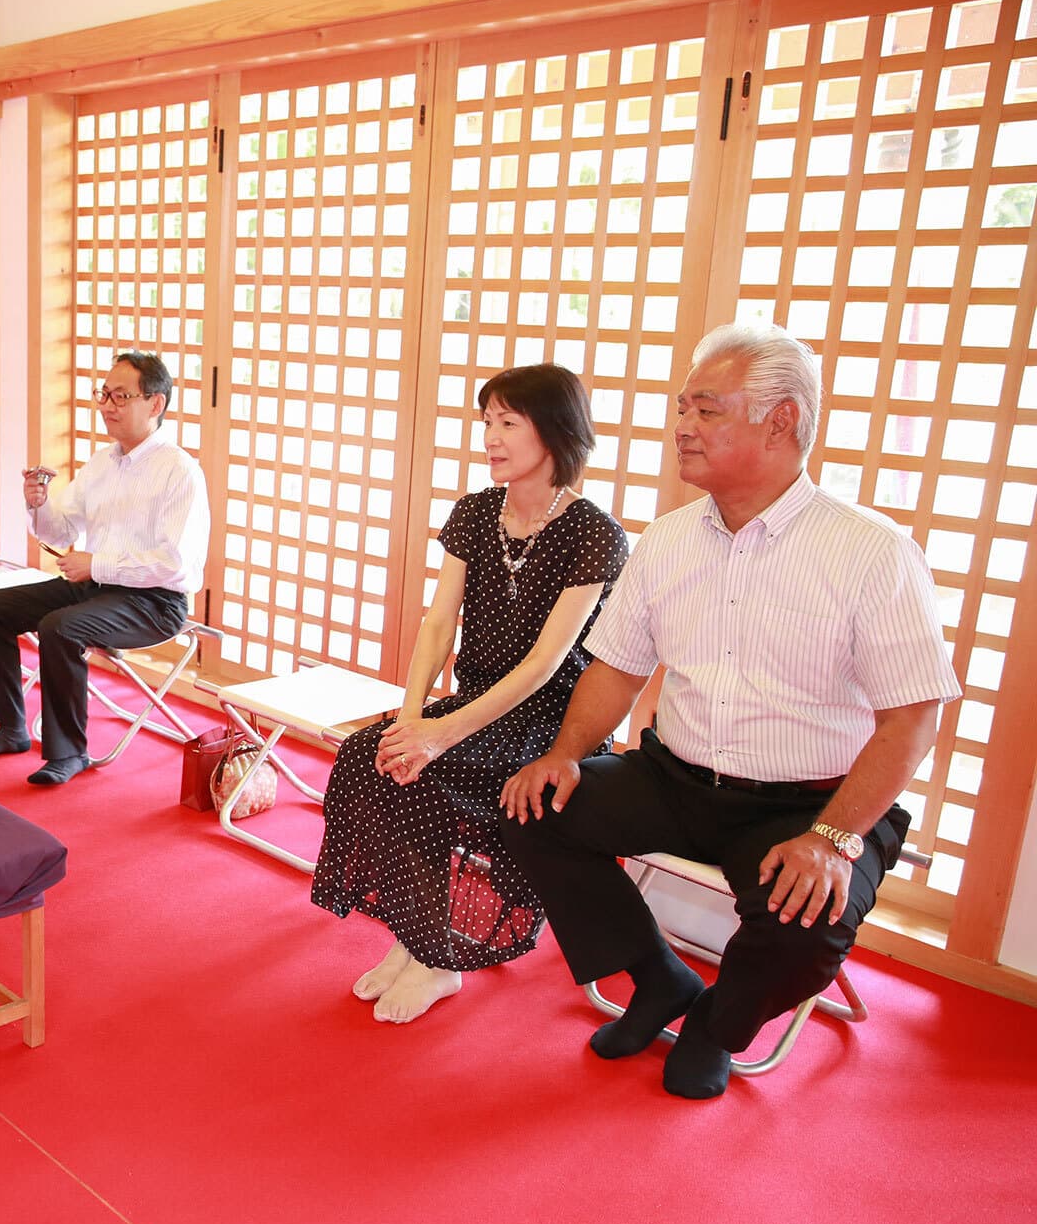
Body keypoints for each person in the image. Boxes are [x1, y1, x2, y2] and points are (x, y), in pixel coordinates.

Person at [500, 323, 960, 1100]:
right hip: (676, 775)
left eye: (706, 409)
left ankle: (716, 1022)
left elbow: (912, 717)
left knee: (807, 915)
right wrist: (567, 753)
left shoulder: (871, 552)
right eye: (683, 407)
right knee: (535, 808)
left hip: (811, 805)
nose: (682, 426)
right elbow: (615, 668)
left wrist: (834, 839)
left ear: (781, 421)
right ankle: (657, 980)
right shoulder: (669, 540)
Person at [311, 364, 629, 1023]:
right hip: (472, 705)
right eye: (487, 421)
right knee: (370, 756)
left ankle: (436, 960)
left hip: (547, 724)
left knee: (428, 775)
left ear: (556, 431)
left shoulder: (595, 532)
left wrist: (439, 736)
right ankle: (414, 938)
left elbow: (546, 664)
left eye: (509, 422)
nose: (491, 435)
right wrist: (408, 721)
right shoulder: (477, 511)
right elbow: (436, 624)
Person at [0, 350, 210, 785]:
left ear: (155, 404)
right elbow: (59, 534)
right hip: (98, 587)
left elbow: (175, 565)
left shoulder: (179, 471)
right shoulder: (103, 461)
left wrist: (97, 563)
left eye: (121, 396)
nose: (108, 406)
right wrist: (37, 504)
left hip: (155, 601)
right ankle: (11, 728)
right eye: (104, 394)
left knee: (62, 625)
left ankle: (69, 752)